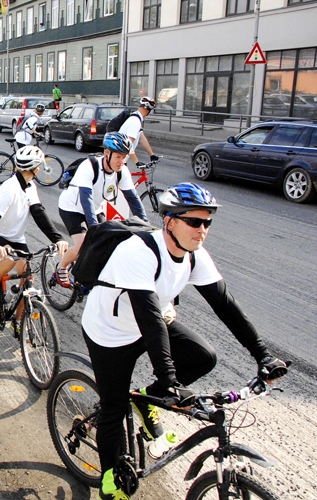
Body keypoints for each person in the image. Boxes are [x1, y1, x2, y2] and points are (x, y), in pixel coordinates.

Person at [81, 182, 290, 500]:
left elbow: (225, 305)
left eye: (207, 222)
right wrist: (170, 381)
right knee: (114, 408)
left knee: (203, 356)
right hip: (110, 332)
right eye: (194, 221)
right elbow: (150, 319)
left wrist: (263, 356)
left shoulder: (195, 255)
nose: (202, 229)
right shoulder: (137, 251)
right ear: (169, 221)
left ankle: (146, 399)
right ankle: (110, 484)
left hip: (145, 325)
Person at [0, 146, 68, 315]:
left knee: (27, 277)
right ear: (36, 169)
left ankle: (18, 322)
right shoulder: (9, 189)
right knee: (9, 260)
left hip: (17, 237)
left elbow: (39, 214)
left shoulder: (30, 186)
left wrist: (57, 239)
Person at [55, 133, 147, 286]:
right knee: (83, 246)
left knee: (106, 246)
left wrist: (145, 226)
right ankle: (61, 267)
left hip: (96, 209)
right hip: (72, 208)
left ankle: (86, 279)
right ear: (107, 154)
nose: (122, 161)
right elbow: (86, 199)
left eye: (125, 157)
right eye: (118, 157)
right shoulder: (89, 166)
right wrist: (93, 228)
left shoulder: (122, 171)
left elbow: (133, 200)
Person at [119, 96, 158, 166]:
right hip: (118, 160)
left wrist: (152, 155)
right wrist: (137, 162)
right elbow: (127, 144)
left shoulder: (135, 118)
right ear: (149, 110)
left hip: (120, 159)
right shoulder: (135, 121)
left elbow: (142, 139)